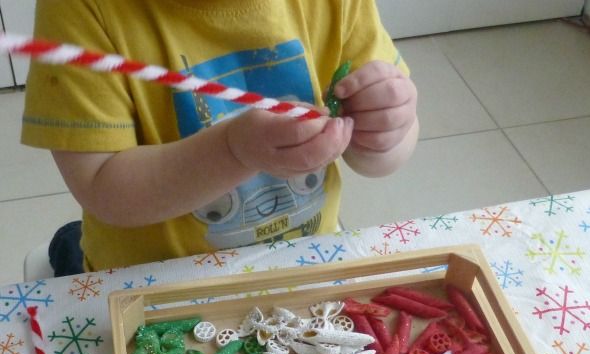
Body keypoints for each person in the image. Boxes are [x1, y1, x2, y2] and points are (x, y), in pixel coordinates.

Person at [22, 0, 418, 275]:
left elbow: (380, 158)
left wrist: (385, 131)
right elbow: (102, 185)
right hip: (152, 283)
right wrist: (233, 151)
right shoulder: (79, 10)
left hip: (302, 264)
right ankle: (70, 248)